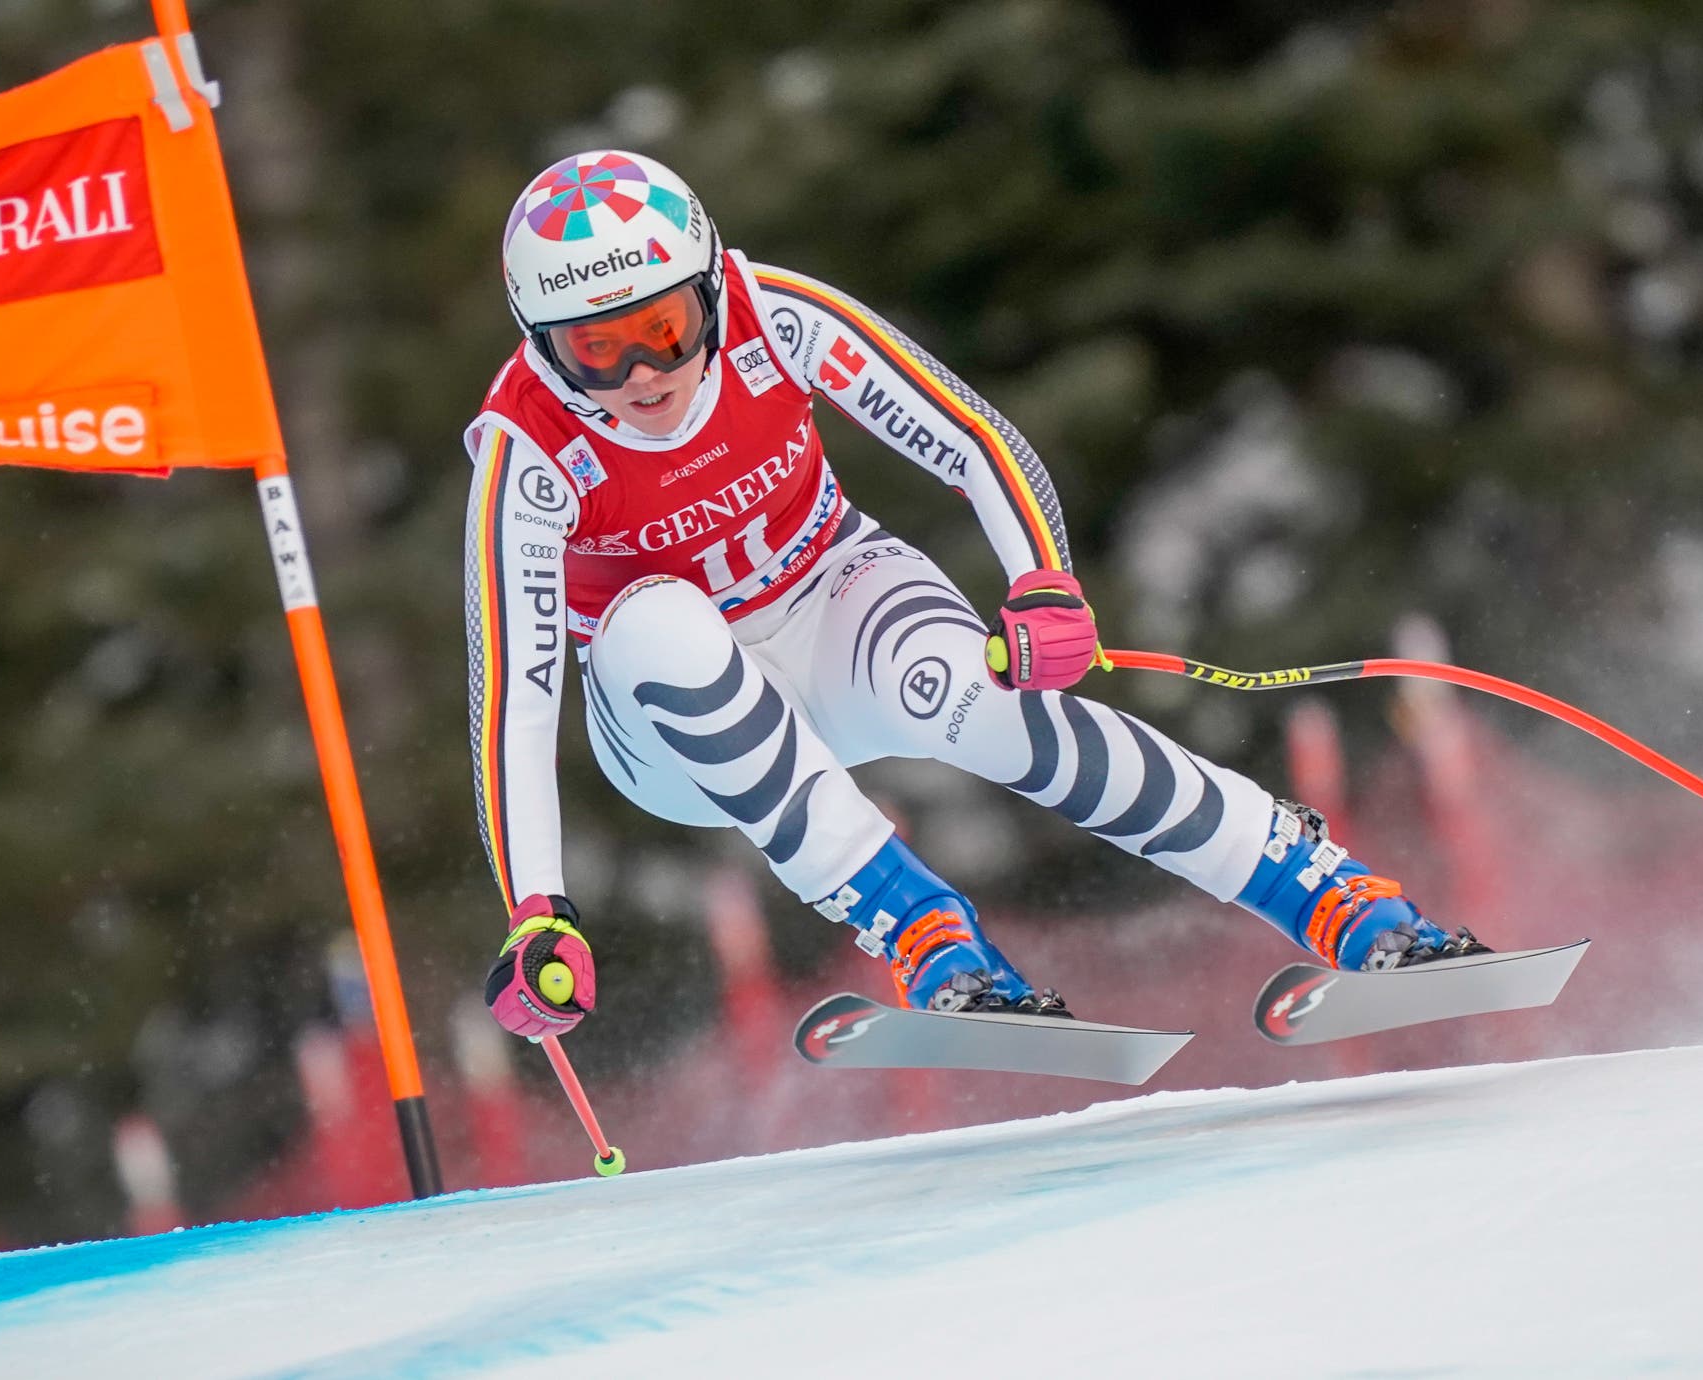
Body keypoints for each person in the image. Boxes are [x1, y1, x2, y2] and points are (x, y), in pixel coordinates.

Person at [469, 150, 1486, 1041]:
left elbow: (971, 436)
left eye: (664, 327)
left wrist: (1042, 584)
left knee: (973, 696)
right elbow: (515, 693)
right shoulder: (526, 452)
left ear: (709, 294)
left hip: (828, 605)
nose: (643, 373)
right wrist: (537, 910)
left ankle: (1331, 899)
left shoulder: (773, 315)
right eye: (595, 349)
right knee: (656, 623)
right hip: (676, 731)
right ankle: (926, 935)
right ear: (541, 345)